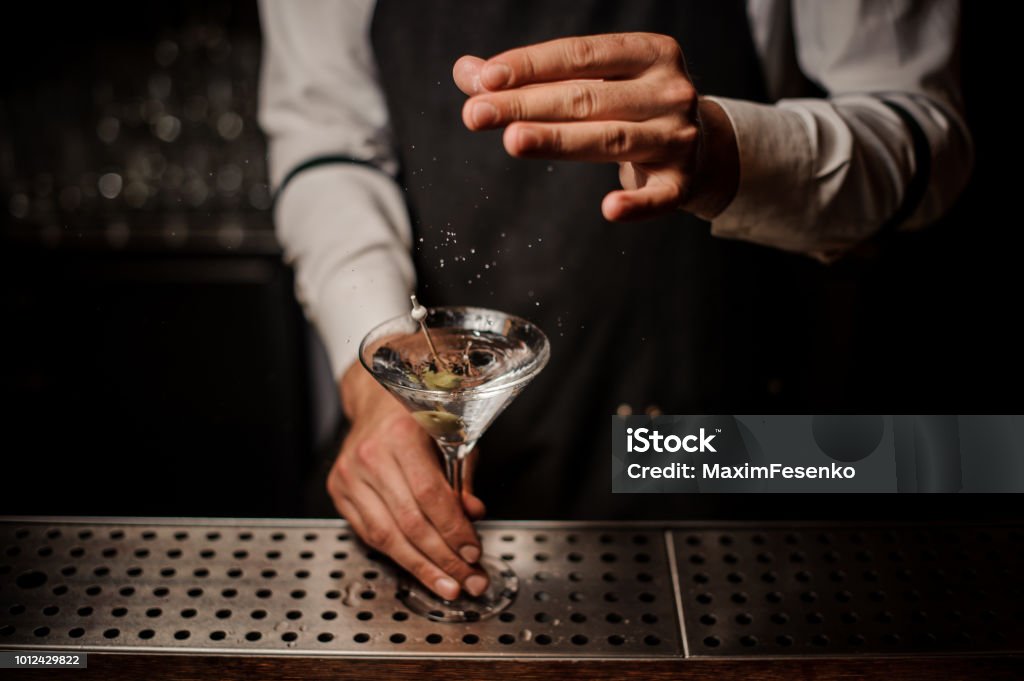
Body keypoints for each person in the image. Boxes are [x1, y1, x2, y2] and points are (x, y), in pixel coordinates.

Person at [258, 0, 972, 601]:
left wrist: (727, 152)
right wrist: (378, 375)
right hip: (467, 428)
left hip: (720, 436)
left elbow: (928, 141)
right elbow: (328, 142)